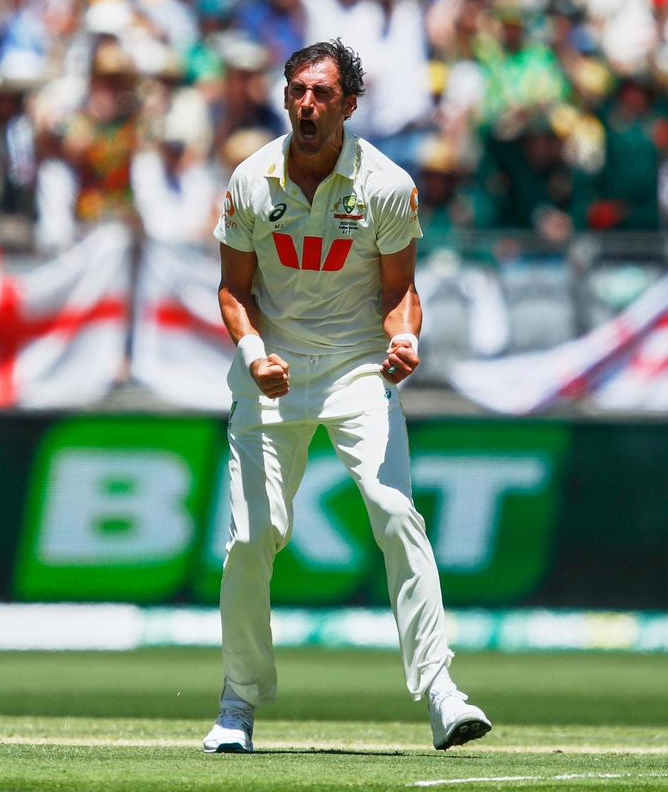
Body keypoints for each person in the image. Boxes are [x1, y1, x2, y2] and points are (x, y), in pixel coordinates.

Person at [203, 40, 491, 754]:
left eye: (322, 93)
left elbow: (400, 293)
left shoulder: (386, 184)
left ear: (348, 104)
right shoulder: (250, 179)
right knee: (250, 537)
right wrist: (254, 354)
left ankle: (442, 694)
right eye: (297, 90)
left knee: (395, 512)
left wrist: (406, 340)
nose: (306, 104)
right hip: (271, 370)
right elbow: (234, 290)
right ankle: (238, 703)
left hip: (359, 369)